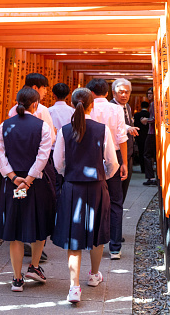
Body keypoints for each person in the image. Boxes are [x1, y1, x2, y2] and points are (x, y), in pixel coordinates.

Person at [52, 88, 118, 303]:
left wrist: (69, 174)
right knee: (97, 230)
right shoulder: (102, 129)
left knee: (74, 237)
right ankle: (93, 275)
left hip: (72, 186)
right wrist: (103, 176)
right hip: (97, 186)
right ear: (92, 105)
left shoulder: (64, 130)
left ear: (73, 104)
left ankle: (74, 287)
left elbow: (58, 162)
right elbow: (112, 162)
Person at [0, 87, 55, 292]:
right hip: (34, 183)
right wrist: (28, 179)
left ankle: (17, 279)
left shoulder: (4, 126)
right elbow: (43, 156)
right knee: (39, 224)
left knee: (15, 228)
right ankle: (35, 267)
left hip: (13, 182)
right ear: (36, 104)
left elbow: (0, 155)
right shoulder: (43, 126)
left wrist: (13, 177)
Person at [9, 73, 56, 260]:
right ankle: (35, 246)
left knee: (21, 201)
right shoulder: (42, 110)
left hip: (16, 168)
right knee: (37, 206)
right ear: (36, 88)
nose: (45, 92)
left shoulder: (13, 110)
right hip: (37, 168)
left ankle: (21, 239)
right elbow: (50, 139)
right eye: (44, 88)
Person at [86, 78, 127, 260]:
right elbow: (121, 137)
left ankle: (94, 243)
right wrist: (124, 162)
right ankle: (115, 248)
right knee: (116, 202)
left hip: (90, 156)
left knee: (93, 200)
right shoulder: (116, 109)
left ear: (90, 93)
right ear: (107, 93)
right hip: (115, 155)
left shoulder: (87, 108)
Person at [110, 78, 139, 202]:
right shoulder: (110, 107)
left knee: (123, 190)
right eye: (121, 92)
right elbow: (116, 126)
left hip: (128, 153)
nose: (124, 95)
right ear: (113, 93)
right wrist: (128, 128)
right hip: (116, 153)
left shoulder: (127, 106)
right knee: (115, 192)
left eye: (127, 92)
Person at [48, 83, 75, 198]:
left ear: (53, 95)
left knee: (54, 182)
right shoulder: (72, 111)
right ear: (68, 95)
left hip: (52, 150)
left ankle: (55, 209)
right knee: (67, 181)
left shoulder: (49, 111)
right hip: (69, 150)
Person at [141, 87, 157, 186]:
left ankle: (151, 177)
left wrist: (146, 120)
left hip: (152, 133)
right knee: (154, 155)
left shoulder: (152, 104)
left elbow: (154, 119)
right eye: (148, 93)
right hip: (156, 133)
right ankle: (156, 176)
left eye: (151, 93)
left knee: (146, 154)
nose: (149, 95)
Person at [133, 101, 150, 174]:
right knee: (148, 153)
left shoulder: (137, 115)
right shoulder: (149, 114)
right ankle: (148, 169)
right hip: (148, 135)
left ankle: (142, 168)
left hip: (139, 136)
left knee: (141, 152)